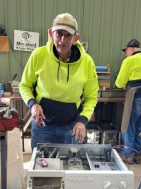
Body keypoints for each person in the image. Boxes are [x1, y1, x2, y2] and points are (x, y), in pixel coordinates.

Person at [19, 13, 99, 149]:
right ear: (50, 33)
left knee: (67, 166)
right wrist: (32, 105)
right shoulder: (38, 55)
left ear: (76, 38)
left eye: (68, 35)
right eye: (59, 33)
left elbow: (91, 97)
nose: (62, 39)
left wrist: (82, 121)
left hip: (70, 128)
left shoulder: (87, 62)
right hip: (42, 126)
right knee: (41, 165)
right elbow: (24, 85)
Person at [115, 39, 141, 164]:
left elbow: (119, 83)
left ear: (132, 49)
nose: (126, 53)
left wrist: (122, 85)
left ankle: (128, 155)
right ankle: (138, 155)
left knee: (128, 126)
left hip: (135, 95)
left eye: (126, 50)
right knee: (140, 127)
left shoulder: (129, 61)